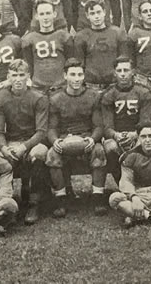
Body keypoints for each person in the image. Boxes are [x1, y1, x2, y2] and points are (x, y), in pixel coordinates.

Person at [46, 58, 107, 217]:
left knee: (99, 150)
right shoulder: (56, 98)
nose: (77, 78)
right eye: (72, 74)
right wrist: (55, 141)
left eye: (80, 74)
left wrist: (93, 139)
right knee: (52, 154)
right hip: (65, 139)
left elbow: (99, 126)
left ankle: (98, 197)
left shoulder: (93, 96)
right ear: (65, 76)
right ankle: (61, 199)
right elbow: (51, 127)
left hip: (86, 138)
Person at [0, 59, 49, 224]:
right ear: (8, 77)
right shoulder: (0, 97)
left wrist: (24, 146)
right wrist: (3, 148)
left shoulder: (38, 97)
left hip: (32, 141)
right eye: (14, 75)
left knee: (39, 153)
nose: (17, 79)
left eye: (21, 75)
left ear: (28, 76)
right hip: (10, 141)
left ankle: (34, 203)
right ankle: (2, 203)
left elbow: (42, 132)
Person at [101, 57, 151, 184]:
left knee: (143, 145)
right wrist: (116, 135)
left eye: (126, 70)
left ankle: (142, 183)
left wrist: (135, 134)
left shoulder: (143, 92)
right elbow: (107, 126)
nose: (123, 74)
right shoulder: (108, 94)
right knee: (110, 148)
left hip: (137, 134)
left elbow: (146, 121)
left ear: (133, 72)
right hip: (117, 136)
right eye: (119, 70)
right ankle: (122, 184)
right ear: (114, 72)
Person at [73, 0, 130, 91]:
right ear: (87, 15)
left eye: (99, 12)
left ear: (104, 12)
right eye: (92, 13)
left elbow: (123, 60)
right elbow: (79, 64)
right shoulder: (81, 36)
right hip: (91, 85)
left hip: (114, 84)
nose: (96, 16)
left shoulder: (117, 33)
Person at [21, 0, 74, 93]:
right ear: (36, 16)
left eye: (48, 13)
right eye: (42, 14)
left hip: (60, 87)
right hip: (38, 88)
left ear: (54, 14)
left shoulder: (64, 37)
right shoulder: (29, 39)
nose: (45, 17)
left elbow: (70, 62)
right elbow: (29, 65)